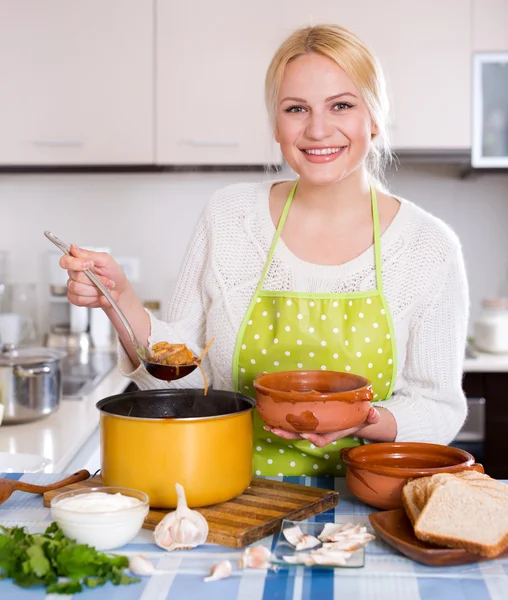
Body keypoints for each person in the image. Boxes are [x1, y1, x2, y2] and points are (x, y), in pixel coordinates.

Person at [59, 24, 469, 477]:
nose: (317, 129)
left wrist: (366, 419)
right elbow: (187, 378)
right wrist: (120, 300)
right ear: (277, 123)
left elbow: (440, 408)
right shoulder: (229, 217)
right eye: (297, 108)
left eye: (342, 105)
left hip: (365, 506)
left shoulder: (428, 246)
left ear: (373, 117)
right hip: (232, 489)